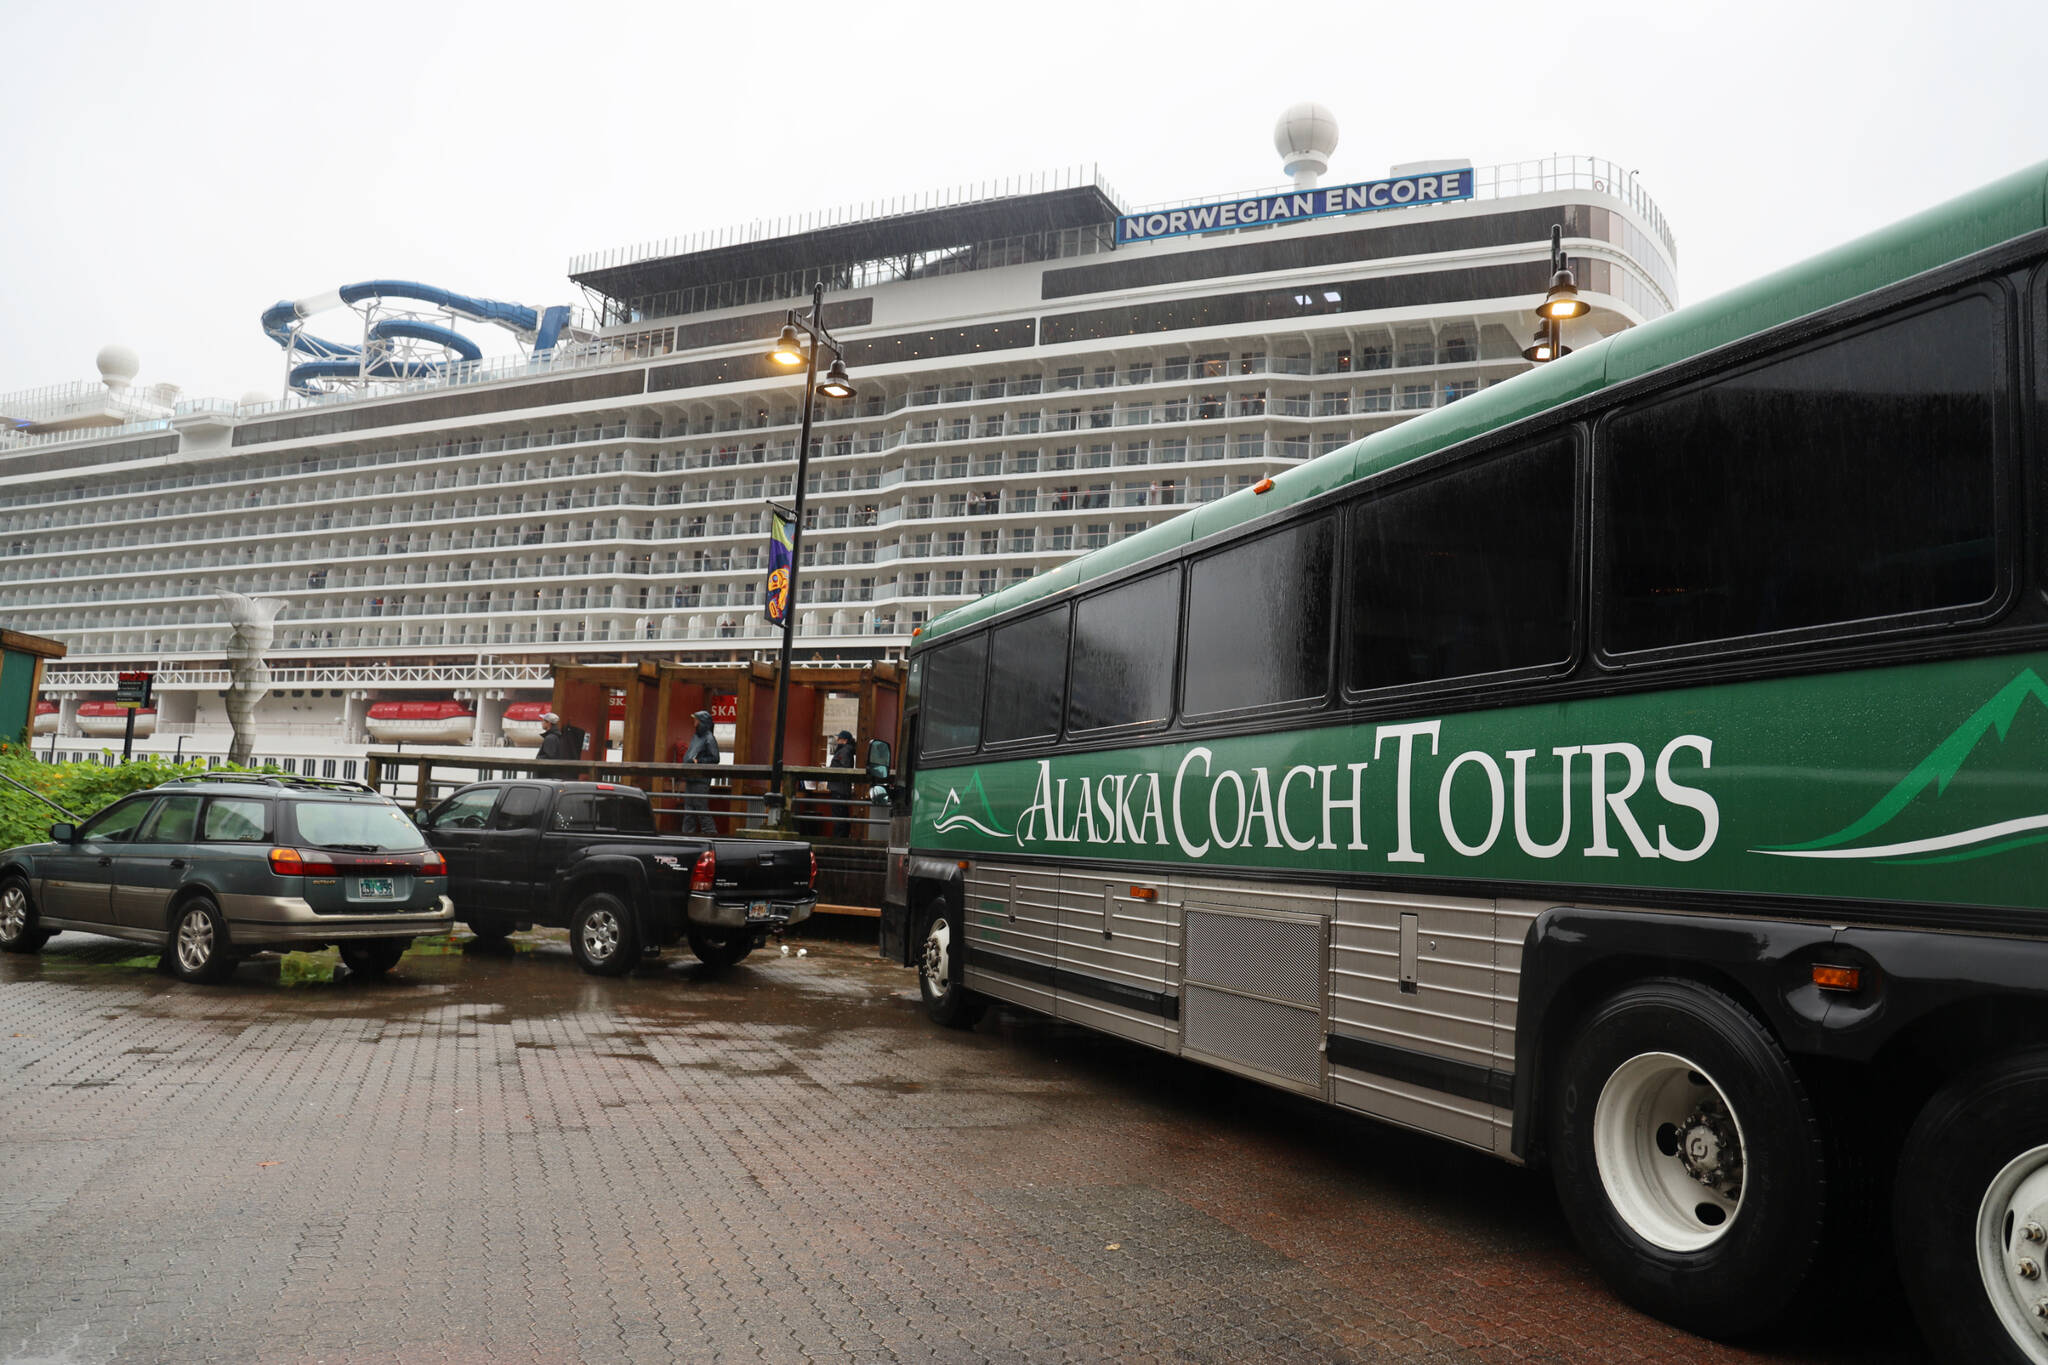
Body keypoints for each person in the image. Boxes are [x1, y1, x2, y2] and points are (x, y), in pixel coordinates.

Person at [681, 709, 719, 835]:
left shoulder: (709, 738)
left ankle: (710, 833)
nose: (694, 722)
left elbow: (715, 758)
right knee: (689, 810)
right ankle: (687, 835)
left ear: (702, 722)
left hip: (701, 780)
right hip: (691, 778)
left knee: (701, 808)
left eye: (696, 719)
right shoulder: (696, 736)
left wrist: (699, 761)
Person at [827, 729, 856, 838]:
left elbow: (845, 768)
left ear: (844, 740)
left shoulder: (844, 751)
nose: (837, 740)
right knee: (842, 815)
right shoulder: (846, 750)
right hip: (841, 788)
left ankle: (838, 839)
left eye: (839, 739)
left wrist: (831, 770)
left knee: (839, 816)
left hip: (839, 788)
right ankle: (841, 837)